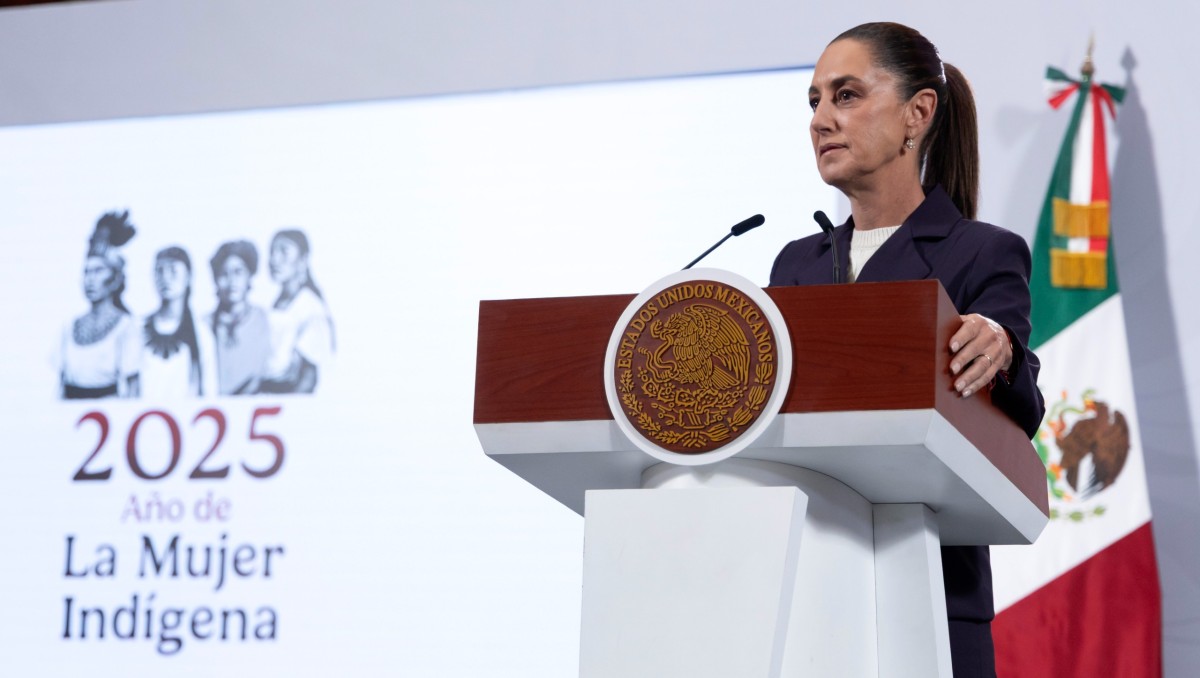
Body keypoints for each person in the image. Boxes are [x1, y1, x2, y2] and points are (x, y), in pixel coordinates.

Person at [769, 22, 1045, 677]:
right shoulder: (797, 266)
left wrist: (1001, 351)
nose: (820, 120)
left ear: (918, 113)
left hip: (931, 595)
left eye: (846, 95)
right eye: (813, 102)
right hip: (805, 595)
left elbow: (1022, 408)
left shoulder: (982, 252)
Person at [61, 211, 140, 399]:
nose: (91, 280)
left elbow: (133, 388)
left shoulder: (126, 325)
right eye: (87, 272)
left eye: (98, 271)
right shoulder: (70, 327)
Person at [259, 229, 334, 394]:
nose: (274, 260)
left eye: (284, 252)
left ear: (303, 260)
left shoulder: (310, 307)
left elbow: (309, 376)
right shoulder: (278, 303)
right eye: (272, 252)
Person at [139, 246, 217, 398]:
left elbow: (210, 391)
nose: (165, 278)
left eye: (173, 271)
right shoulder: (138, 328)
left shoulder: (201, 333)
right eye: (160, 271)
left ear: (188, 277)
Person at [207, 240, 271, 395]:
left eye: (238, 272)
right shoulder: (204, 325)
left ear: (250, 276)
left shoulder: (265, 320)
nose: (231, 281)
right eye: (224, 274)